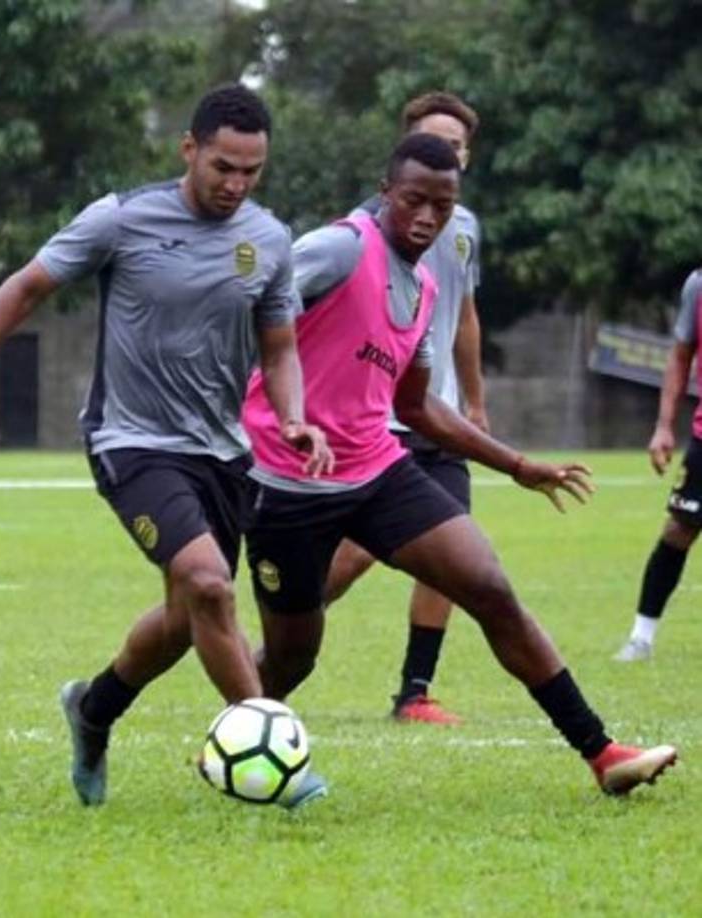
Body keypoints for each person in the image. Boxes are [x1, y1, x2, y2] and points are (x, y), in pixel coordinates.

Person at [0, 84, 333, 809]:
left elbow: (279, 345)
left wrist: (293, 416)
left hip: (223, 454)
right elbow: (24, 288)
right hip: (129, 439)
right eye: (222, 166)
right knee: (209, 586)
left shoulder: (271, 241)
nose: (235, 184)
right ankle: (280, 764)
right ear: (188, 149)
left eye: (251, 172)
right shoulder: (121, 218)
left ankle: (93, 709)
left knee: (187, 617)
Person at [242, 132, 678, 797]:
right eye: (413, 200)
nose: (425, 217)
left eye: (441, 206)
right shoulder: (338, 248)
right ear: (386, 191)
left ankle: (602, 753)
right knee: (293, 655)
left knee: (488, 587)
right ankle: (230, 739)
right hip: (287, 480)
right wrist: (259, 416)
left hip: (376, 468)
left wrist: (516, 464)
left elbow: (416, 408)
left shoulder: (419, 288)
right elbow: (245, 308)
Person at [325, 91, 487, 725]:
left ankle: (414, 693)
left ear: (465, 158)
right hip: (379, 416)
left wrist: (475, 401)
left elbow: (465, 316)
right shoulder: (360, 230)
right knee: (354, 554)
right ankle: (273, 648)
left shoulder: (464, 228)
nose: (444, 150)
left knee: (454, 558)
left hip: (438, 413)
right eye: (432, 139)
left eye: (455, 145)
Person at [614, 267, 702, 661]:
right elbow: (681, 355)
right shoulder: (698, 285)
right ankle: (641, 638)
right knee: (678, 530)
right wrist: (664, 426)